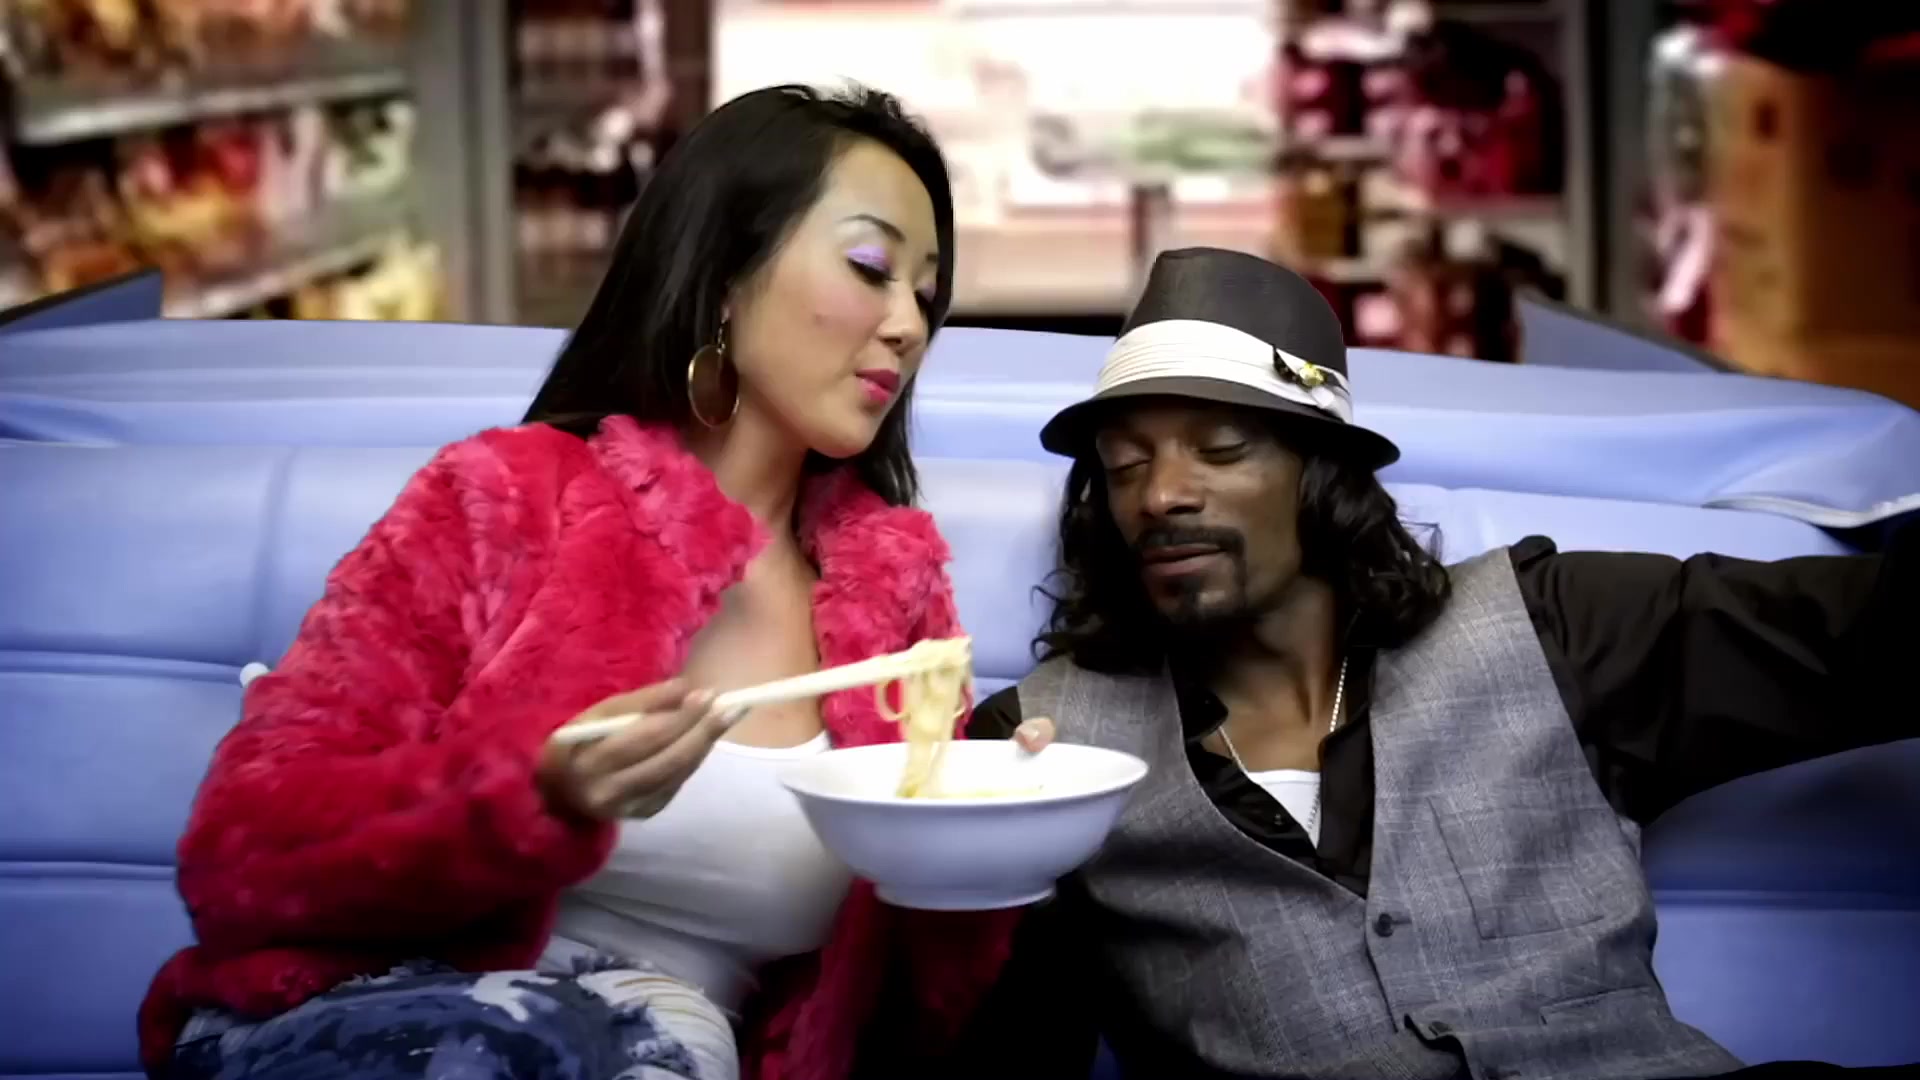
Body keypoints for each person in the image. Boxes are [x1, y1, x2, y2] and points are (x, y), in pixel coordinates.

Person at [139, 84, 1025, 1080]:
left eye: (927, 296)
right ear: (724, 275)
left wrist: (989, 851)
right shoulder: (504, 499)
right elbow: (240, 853)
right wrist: (532, 795)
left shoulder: (898, 608)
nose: (907, 324)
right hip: (372, 1022)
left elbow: (908, 1019)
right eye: (870, 267)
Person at [966, 247, 1918, 1080]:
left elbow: (1873, 632)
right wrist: (980, 851)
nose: (1162, 494)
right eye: (1125, 466)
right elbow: (995, 1040)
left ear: (1321, 476)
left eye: (1221, 448)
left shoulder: (1550, 625)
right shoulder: (1042, 746)